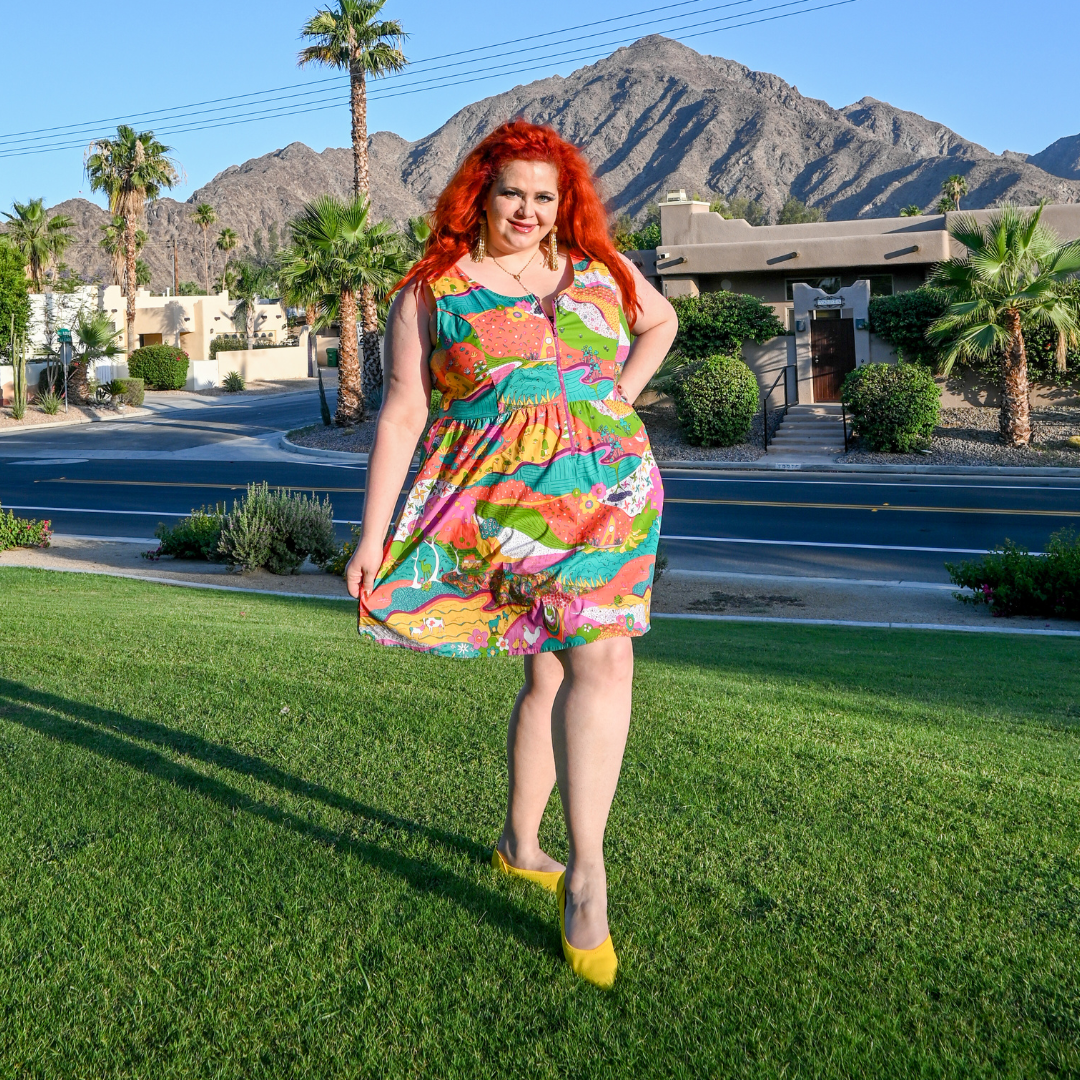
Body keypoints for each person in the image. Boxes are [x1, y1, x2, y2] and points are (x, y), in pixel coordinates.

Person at [346, 119, 677, 989]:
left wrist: (616, 402)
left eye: (545, 196)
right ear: (479, 196)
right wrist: (372, 535)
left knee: (599, 658)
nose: (529, 211)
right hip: (502, 508)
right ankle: (519, 842)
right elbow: (403, 414)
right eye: (512, 194)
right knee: (547, 673)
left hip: (610, 497)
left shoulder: (600, 269)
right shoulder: (433, 290)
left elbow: (664, 320)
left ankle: (587, 874)